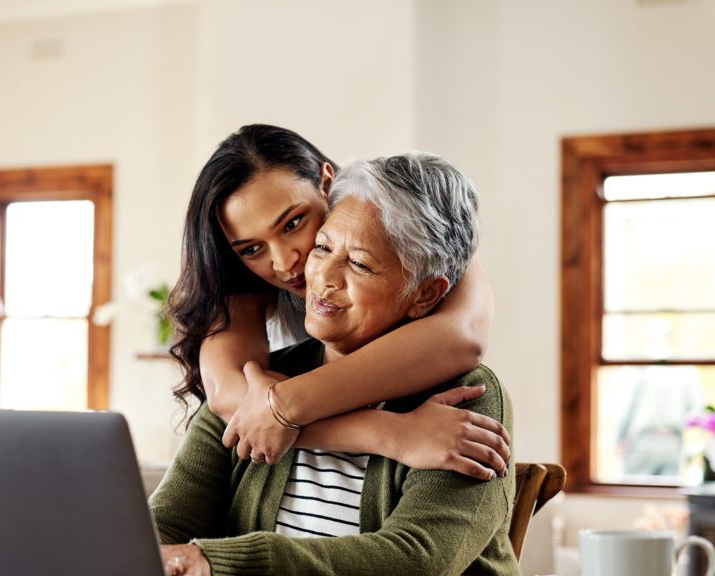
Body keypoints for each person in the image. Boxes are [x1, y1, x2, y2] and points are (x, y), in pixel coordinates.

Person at [151, 153, 520, 576]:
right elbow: (165, 524)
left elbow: (411, 566)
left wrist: (217, 563)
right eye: (323, 248)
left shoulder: (471, 396)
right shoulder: (261, 384)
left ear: (425, 295)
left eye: (361, 265)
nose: (319, 277)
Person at [168, 125, 509, 479]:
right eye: (253, 249)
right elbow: (230, 396)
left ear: (326, 182)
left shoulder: (412, 220)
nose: (285, 263)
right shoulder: (242, 281)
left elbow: (463, 335)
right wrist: (389, 433)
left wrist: (285, 405)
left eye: (293, 223)